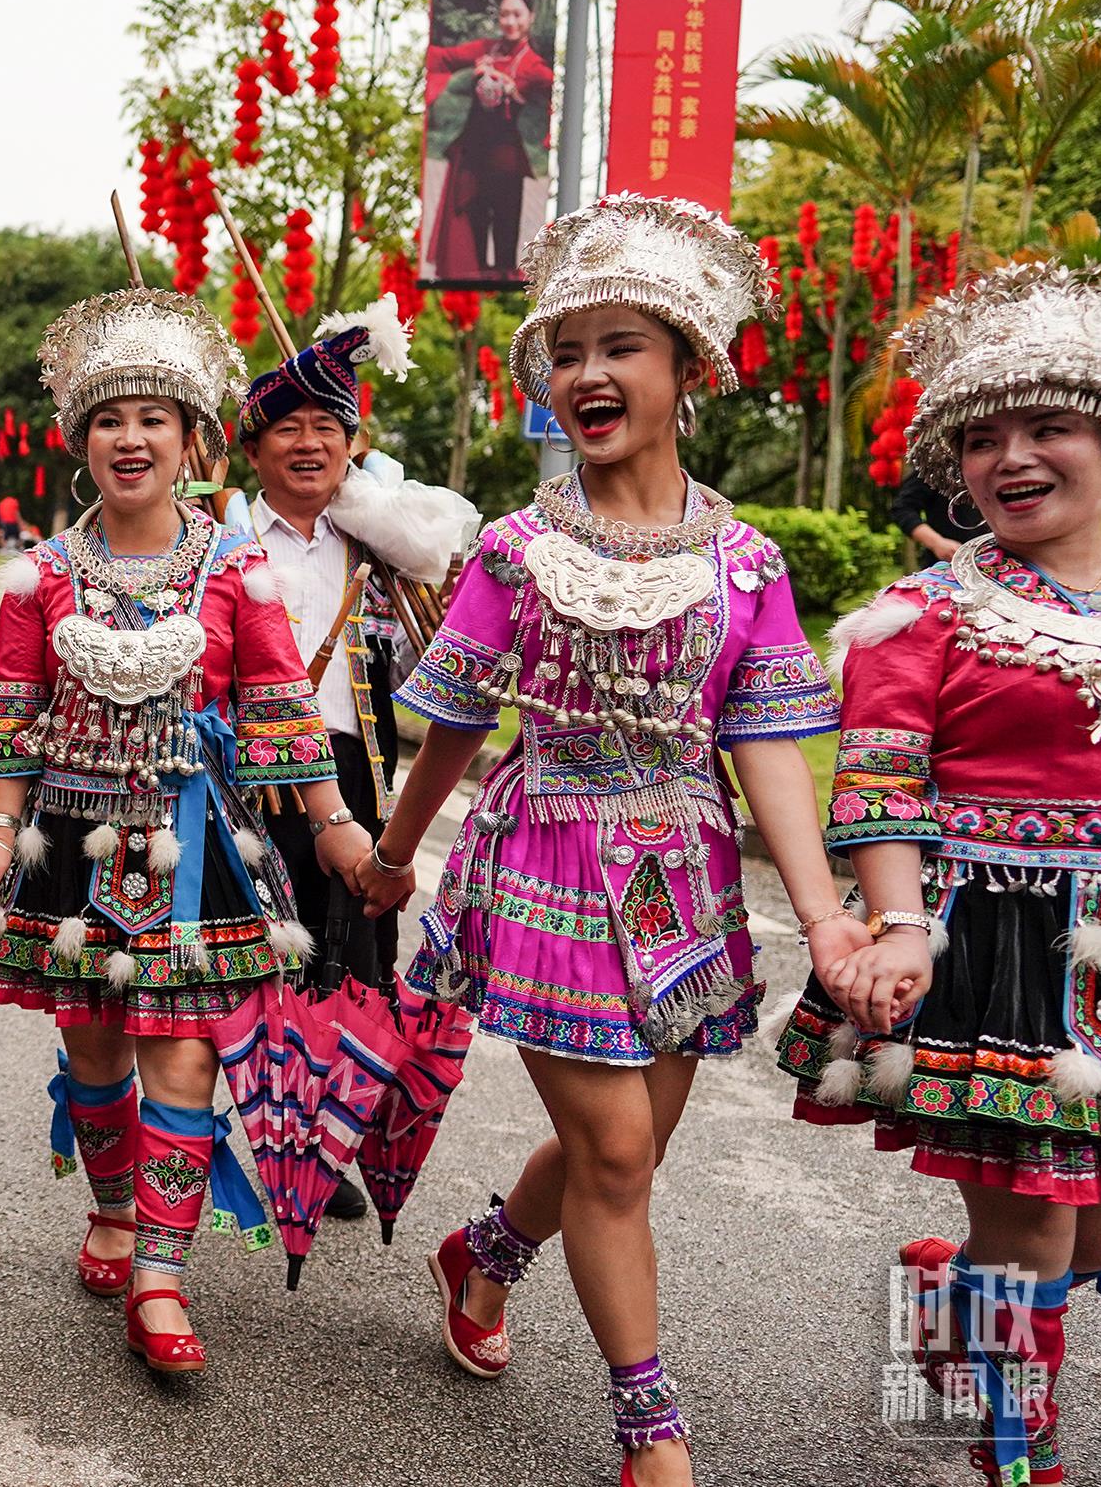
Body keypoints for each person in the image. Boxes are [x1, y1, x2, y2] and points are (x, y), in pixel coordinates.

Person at [351, 196, 858, 1486]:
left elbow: (765, 749)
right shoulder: (517, 553)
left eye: (619, 345)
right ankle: (651, 1432)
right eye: (566, 350)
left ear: (686, 368)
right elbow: (455, 724)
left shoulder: (745, 560)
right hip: (545, 865)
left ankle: (484, 1253)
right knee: (619, 1153)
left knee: (615, 1151)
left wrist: (819, 914)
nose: (586, 373)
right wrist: (395, 855)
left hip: (684, 880)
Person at [0, 286, 371, 1373]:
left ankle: (160, 1272)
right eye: (108, 418)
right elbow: (14, 715)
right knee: (93, 1048)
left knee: (183, 1059)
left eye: (152, 417)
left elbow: (281, 706)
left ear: (190, 441)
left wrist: (334, 825)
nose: (129, 437)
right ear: (81, 441)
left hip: (196, 850)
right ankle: (108, 1210)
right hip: (73, 847)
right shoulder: (41, 576)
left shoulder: (233, 567)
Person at [776, 262, 1101, 1487]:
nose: (1008, 458)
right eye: (979, 439)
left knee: (1080, 1226)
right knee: (1033, 1222)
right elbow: (873, 781)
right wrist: (898, 924)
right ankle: (1011, 1457)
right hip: (998, 952)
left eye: (1046, 427)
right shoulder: (919, 611)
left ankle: (943, 1303)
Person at [239, 295, 478, 1025]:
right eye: (286, 428)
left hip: (354, 777)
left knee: (348, 978)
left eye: (324, 427)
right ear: (252, 450)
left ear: (352, 445)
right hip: (243, 776)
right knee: (240, 968)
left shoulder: (381, 552)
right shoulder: (223, 541)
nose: (307, 443)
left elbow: (418, 673)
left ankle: (329, 1125)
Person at [423, 0, 553, 281]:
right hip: (474, 157)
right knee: (474, 228)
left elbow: (551, 92)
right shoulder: (486, 50)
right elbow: (441, 58)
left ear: (530, 17)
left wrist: (513, 89)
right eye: (504, 14)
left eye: (517, 15)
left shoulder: (533, 64)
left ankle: (503, 287)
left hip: (506, 159)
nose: (510, 21)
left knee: (505, 233)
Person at [891, 472, 978, 567]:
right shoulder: (936, 465)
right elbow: (902, 509)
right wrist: (936, 542)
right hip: (946, 566)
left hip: (990, 564)